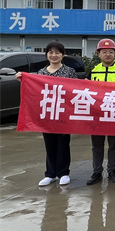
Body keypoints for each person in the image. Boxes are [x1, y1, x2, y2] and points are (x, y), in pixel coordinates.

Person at [16, 41, 77, 186]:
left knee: (63, 143)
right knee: (49, 143)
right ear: (47, 55)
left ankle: (63, 173)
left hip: (62, 113)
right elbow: (35, 91)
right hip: (47, 113)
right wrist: (23, 80)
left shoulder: (69, 71)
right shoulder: (41, 72)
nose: (54, 55)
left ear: (63, 55)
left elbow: (75, 91)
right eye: (51, 52)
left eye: (57, 52)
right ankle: (50, 174)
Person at [86, 39, 115, 185]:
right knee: (97, 145)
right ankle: (97, 172)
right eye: (104, 52)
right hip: (97, 114)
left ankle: (112, 171)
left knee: (114, 144)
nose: (108, 54)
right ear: (98, 54)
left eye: (110, 52)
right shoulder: (93, 71)